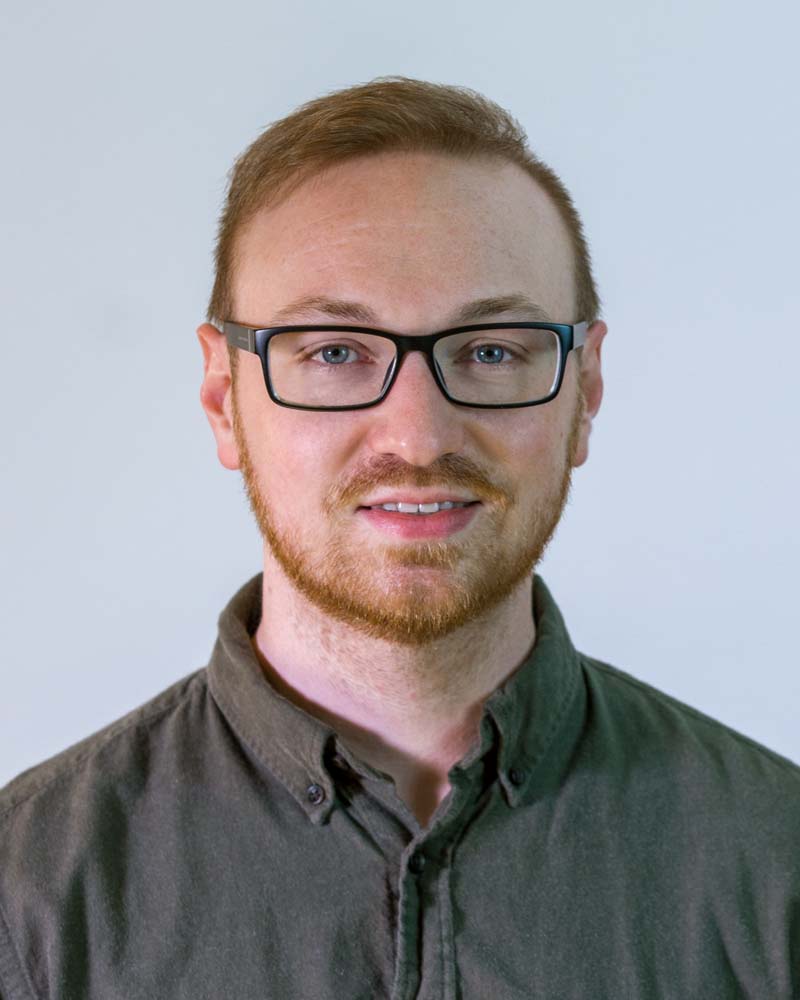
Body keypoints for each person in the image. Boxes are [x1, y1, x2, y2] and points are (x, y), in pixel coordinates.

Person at [1, 76, 797, 1000]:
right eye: (334, 352)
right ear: (224, 399)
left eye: (492, 349)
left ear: (586, 395)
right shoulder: (27, 902)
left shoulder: (776, 867)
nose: (417, 437)